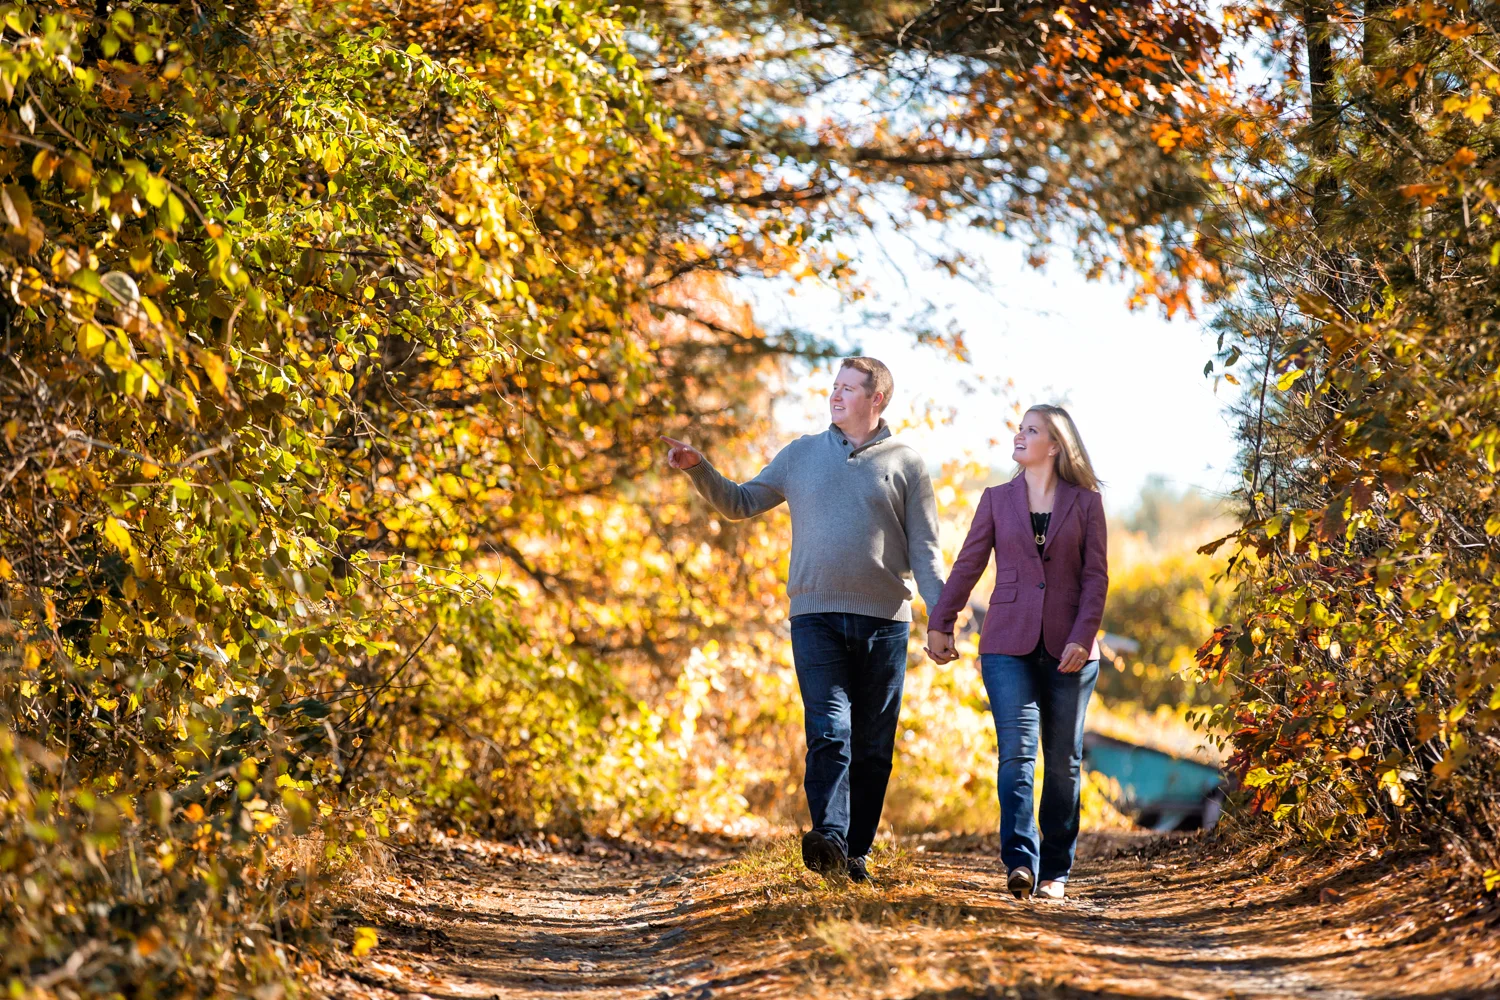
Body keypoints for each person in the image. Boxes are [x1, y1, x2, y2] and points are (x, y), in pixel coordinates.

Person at [662, 358, 945, 883]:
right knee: (829, 731)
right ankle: (831, 840)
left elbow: (927, 552)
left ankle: (855, 851)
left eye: (847, 389)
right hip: (814, 614)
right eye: (833, 386)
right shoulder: (801, 454)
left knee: (874, 745)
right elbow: (741, 503)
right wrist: (700, 468)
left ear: (875, 399)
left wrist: (942, 618)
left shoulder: (906, 462)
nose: (834, 395)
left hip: (886, 622)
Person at [925, 405, 1107, 901]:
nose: (1019, 435)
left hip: (1072, 648)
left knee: (1064, 761)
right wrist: (942, 621)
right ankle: (1021, 862)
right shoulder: (996, 500)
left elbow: (1096, 578)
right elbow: (967, 565)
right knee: (1018, 756)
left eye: (1031, 430)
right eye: (1020, 428)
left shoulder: (1087, 503)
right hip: (1008, 643)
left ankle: (1056, 871)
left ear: (1055, 446)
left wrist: (1081, 634)